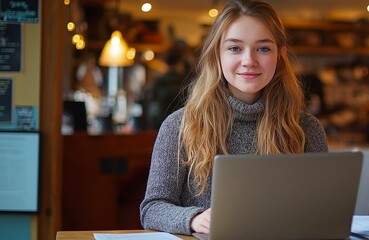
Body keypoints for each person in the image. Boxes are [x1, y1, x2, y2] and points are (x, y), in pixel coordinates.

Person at [139, 0, 328, 235]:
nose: (249, 60)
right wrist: (194, 218)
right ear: (217, 54)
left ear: (280, 55)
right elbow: (152, 209)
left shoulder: (306, 129)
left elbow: (322, 212)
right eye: (235, 48)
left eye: (263, 48)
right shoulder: (180, 126)